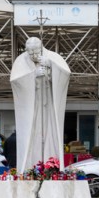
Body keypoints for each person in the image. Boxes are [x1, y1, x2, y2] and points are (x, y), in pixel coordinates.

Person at [10, 37, 71, 172]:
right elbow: (15, 81)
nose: (33, 55)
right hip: (33, 105)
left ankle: (52, 167)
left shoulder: (53, 57)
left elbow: (66, 74)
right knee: (33, 133)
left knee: (51, 131)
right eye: (30, 53)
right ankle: (31, 167)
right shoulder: (21, 60)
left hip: (49, 104)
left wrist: (51, 65)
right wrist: (33, 75)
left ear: (41, 48)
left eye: (35, 52)